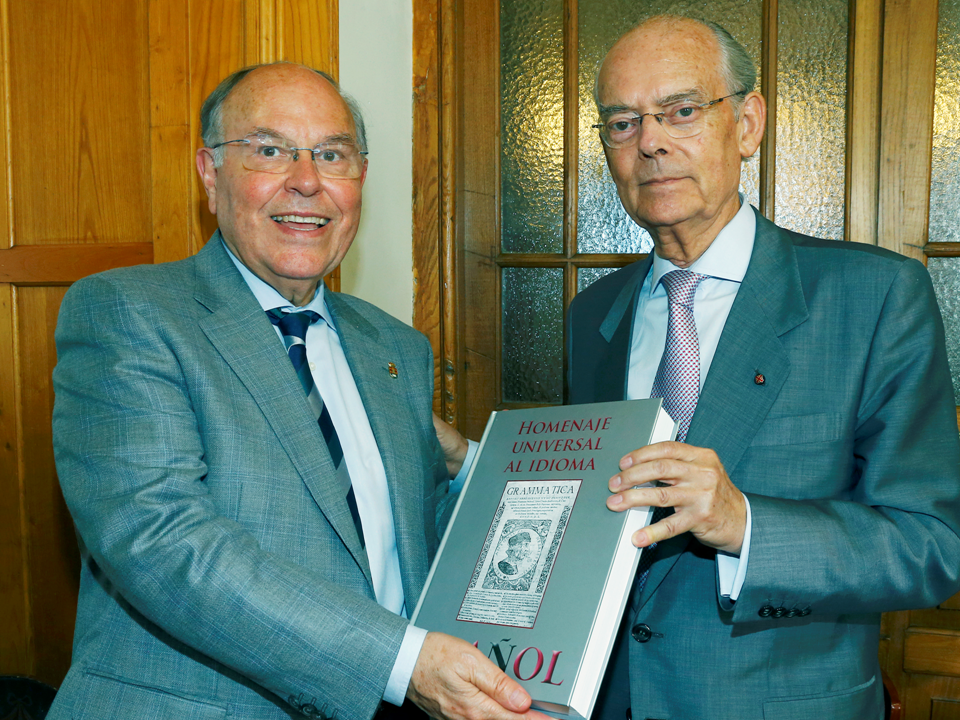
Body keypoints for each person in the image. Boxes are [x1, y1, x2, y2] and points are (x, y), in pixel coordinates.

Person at [49, 62, 549, 720]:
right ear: (209, 172)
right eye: (269, 150)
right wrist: (404, 663)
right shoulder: (128, 313)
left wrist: (481, 471)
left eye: (332, 154)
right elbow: (163, 542)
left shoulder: (396, 351)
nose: (307, 181)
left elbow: (409, 554)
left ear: (360, 178)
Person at [563, 14, 960, 720]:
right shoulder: (593, 315)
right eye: (622, 124)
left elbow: (932, 546)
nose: (649, 142)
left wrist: (744, 522)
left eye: (680, 111)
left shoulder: (873, 297)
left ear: (747, 125)